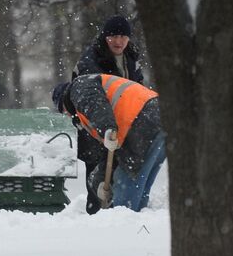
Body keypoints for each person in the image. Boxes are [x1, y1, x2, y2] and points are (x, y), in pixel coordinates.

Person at [52, 73, 166, 212]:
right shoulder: (90, 98)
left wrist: (108, 128)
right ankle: (139, 226)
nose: (68, 115)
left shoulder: (79, 86)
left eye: (64, 111)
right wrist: (101, 180)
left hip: (143, 121)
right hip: (161, 115)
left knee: (126, 192)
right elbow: (110, 151)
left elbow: (96, 106)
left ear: (63, 102)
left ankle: (125, 228)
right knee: (141, 187)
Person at [72, 15, 145, 213]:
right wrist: (105, 125)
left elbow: (138, 89)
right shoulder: (91, 60)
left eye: (123, 36)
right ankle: (96, 215)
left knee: (117, 173)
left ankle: (117, 214)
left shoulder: (131, 58)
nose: (118, 41)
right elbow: (90, 97)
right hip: (93, 128)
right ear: (105, 38)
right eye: (113, 36)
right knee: (97, 176)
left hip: (124, 125)